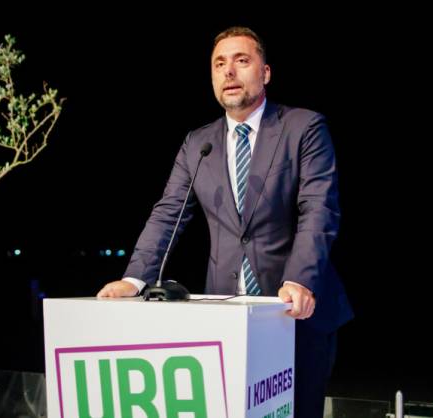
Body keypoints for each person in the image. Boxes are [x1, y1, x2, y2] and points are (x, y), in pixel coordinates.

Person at [97, 26, 353, 418]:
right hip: (226, 317)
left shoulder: (304, 128)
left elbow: (318, 208)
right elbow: (168, 213)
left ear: (265, 72)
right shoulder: (198, 144)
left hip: (296, 314)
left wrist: (300, 279)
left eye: (241, 60)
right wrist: (134, 279)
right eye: (219, 64)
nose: (229, 71)